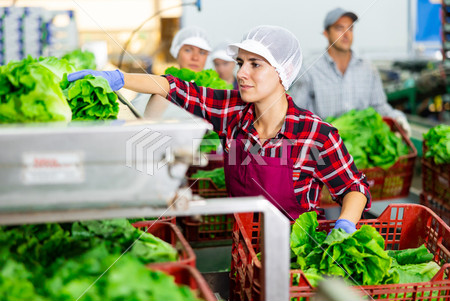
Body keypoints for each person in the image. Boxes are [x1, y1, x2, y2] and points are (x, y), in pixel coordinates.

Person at [68, 25, 372, 234]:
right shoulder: (232, 114)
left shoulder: (316, 134)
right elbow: (175, 87)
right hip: (242, 250)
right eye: (240, 63)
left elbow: (353, 187)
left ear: (283, 72)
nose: (241, 73)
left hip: (295, 258)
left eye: (255, 65)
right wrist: (119, 77)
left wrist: (345, 224)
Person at [290, 7, 411, 136]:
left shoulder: (367, 69)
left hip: (361, 145)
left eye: (350, 28)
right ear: (326, 33)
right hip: (323, 147)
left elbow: (379, 106)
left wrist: (397, 118)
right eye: (339, 28)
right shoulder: (310, 69)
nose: (346, 34)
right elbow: (298, 114)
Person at [131, 26, 212, 110]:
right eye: (188, 50)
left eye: (202, 52)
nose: (195, 58)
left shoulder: (216, 93)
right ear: (176, 51)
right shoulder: (160, 87)